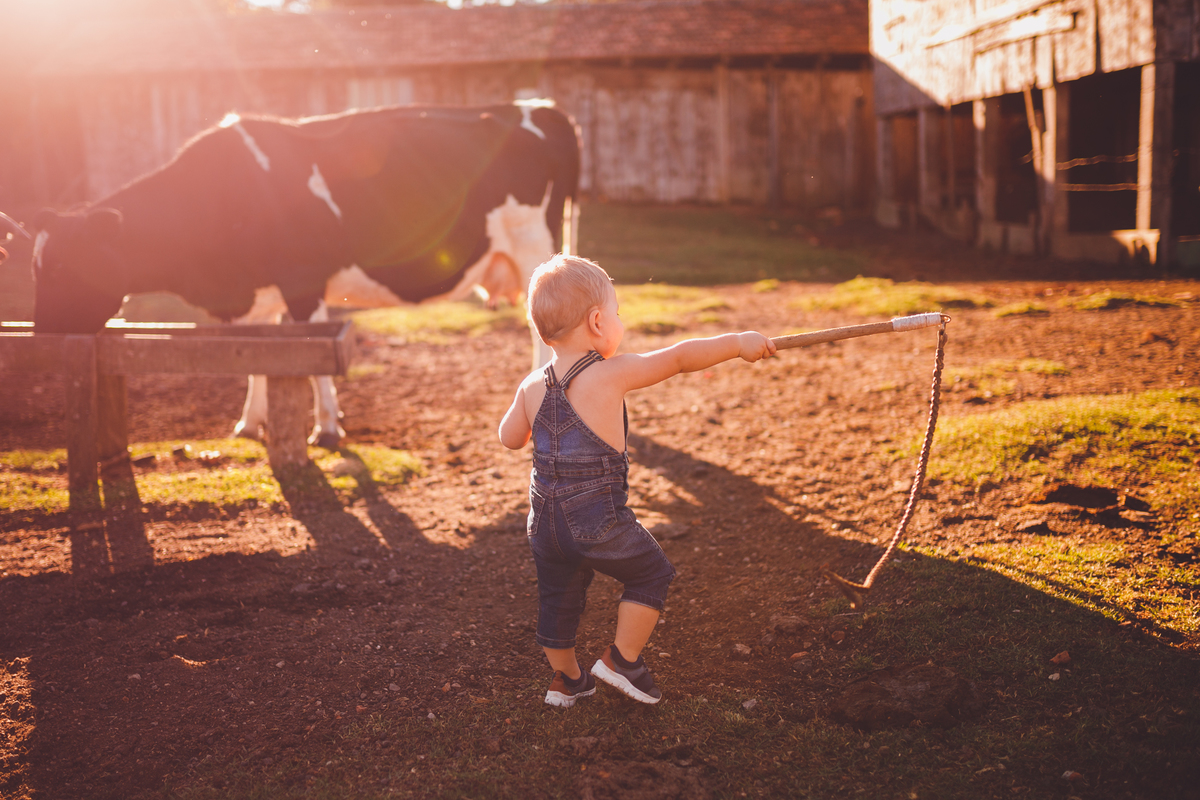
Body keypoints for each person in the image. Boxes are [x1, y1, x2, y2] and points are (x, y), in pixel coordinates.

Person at [498, 254, 777, 707]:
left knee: (557, 602)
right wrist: (738, 342)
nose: (618, 321)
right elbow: (682, 358)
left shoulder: (532, 384)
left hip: (544, 524)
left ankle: (567, 681)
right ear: (596, 322)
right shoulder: (610, 373)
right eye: (616, 313)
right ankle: (622, 661)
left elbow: (510, 438)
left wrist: (530, 418)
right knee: (651, 573)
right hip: (595, 521)